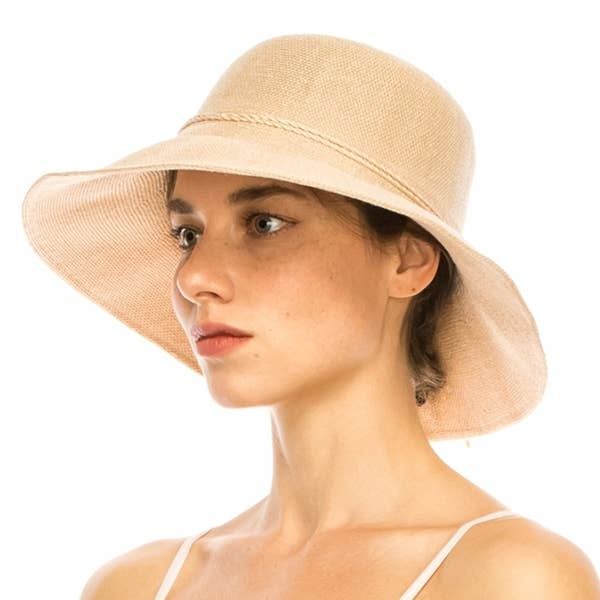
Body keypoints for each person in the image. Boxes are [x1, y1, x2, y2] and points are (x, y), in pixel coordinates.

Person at [22, 34, 599, 599]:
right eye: (188, 234)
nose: (194, 277)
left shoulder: (511, 580)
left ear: (407, 261)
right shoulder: (138, 585)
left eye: (265, 223)